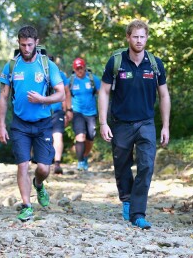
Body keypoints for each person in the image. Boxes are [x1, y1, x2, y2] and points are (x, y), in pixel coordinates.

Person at [98, 19, 171, 229]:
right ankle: (127, 199)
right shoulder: (116, 62)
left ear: (147, 38)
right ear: (128, 37)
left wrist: (165, 126)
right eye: (135, 36)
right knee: (122, 166)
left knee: (146, 165)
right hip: (120, 123)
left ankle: (138, 213)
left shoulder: (155, 64)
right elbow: (103, 92)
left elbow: (164, 95)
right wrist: (103, 122)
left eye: (142, 37)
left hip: (146, 123)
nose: (139, 41)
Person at [0, 25, 65, 222]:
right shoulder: (11, 66)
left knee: (44, 168)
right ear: (18, 43)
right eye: (22, 45)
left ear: (36, 42)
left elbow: (60, 93)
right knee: (22, 165)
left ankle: (39, 184)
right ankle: (26, 205)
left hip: (43, 123)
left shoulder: (47, 65)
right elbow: (3, 97)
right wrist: (0, 125)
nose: (26, 49)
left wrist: (43, 100)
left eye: (29, 44)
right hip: (20, 124)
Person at [70, 57, 101, 171]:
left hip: (91, 112)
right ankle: (80, 162)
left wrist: (104, 110)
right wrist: (67, 110)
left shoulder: (93, 79)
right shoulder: (71, 81)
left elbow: (101, 94)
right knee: (80, 136)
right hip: (77, 111)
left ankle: (85, 155)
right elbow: (66, 95)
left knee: (90, 138)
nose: (79, 71)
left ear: (84, 67)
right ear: (74, 69)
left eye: (81, 68)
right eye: (77, 69)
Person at [48, 55, 73, 175]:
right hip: (41, 112)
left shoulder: (60, 75)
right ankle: (45, 162)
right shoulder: (35, 73)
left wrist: (68, 110)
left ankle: (57, 163)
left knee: (58, 136)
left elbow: (67, 93)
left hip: (57, 111)